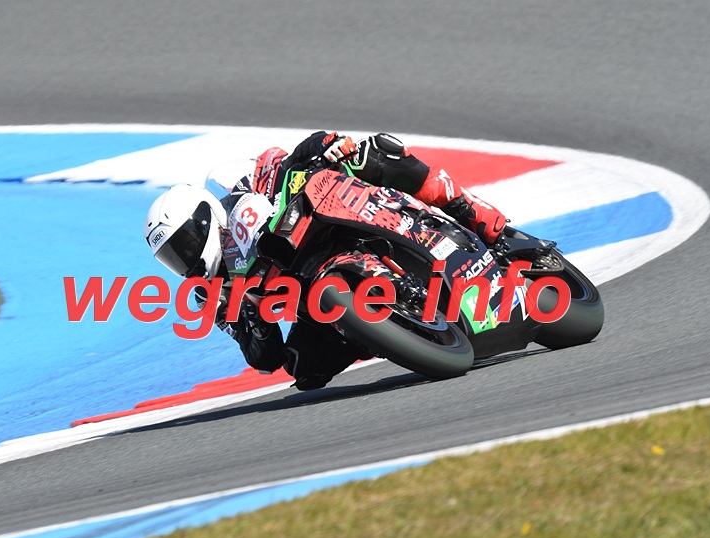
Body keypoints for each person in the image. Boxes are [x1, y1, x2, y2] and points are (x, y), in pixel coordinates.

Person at [144, 131, 508, 390]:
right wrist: (251, 317)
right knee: (304, 368)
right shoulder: (213, 295)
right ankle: (382, 333)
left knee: (374, 152)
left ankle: (471, 211)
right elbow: (263, 358)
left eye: (184, 246)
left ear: (203, 220)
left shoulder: (235, 184)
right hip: (313, 294)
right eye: (172, 258)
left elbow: (281, 161)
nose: (185, 261)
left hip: (324, 220)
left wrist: (327, 145)